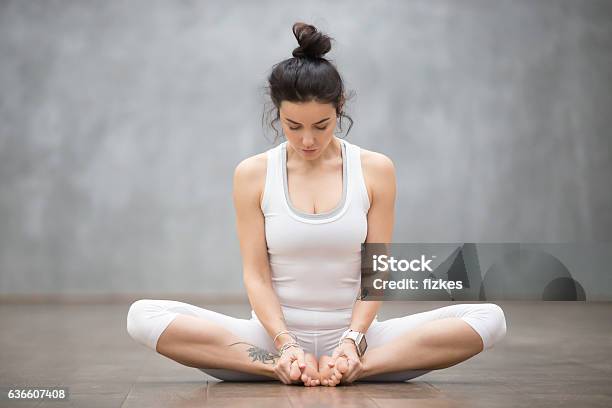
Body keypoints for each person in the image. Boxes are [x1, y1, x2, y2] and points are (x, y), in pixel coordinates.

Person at [126, 22, 506, 387]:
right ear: (277, 112)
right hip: (269, 341)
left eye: (321, 125)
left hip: (359, 341)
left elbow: (376, 274)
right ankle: (279, 367)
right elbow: (256, 276)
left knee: (490, 318)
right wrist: (285, 345)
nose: (307, 140)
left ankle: (358, 368)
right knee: (142, 316)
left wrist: (352, 341)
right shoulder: (252, 174)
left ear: (339, 107)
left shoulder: (375, 170)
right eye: (294, 126)